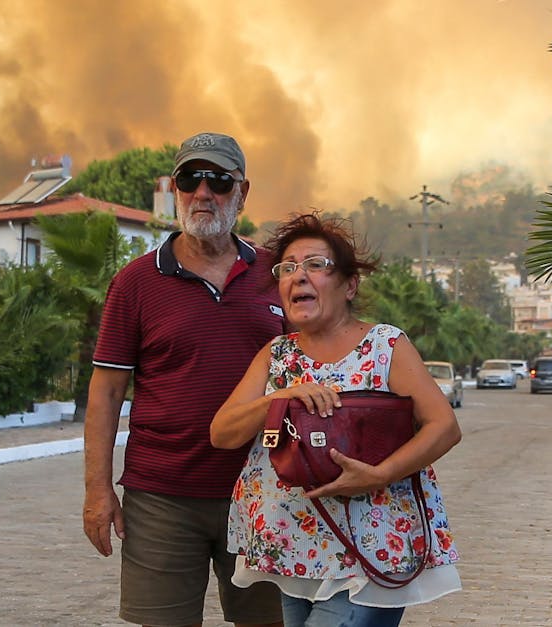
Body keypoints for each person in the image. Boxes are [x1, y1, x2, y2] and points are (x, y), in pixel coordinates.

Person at [209, 214, 463, 627]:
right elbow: (222, 433)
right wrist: (280, 397)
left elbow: (443, 426)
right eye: (288, 267)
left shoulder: (385, 346)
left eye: (315, 265)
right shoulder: (276, 355)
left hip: (370, 547)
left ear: (349, 285)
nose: (298, 276)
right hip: (290, 546)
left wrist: (378, 474)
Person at [82, 132, 287, 627]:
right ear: (174, 187)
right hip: (162, 498)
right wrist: (97, 490)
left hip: (263, 491)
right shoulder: (136, 282)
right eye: (190, 179)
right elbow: (107, 391)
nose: (203, 193)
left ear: (243, 192)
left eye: (218, 181)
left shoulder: (278, 275)